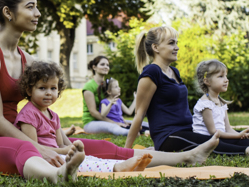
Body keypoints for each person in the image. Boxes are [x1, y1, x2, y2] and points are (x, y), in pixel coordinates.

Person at [0, 0, 219, 183]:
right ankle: (57, 176)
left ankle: (187, 156)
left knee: (97, 146)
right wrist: (40, 148)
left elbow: (41, 105)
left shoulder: (26, 58)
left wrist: (55, 141)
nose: (38, 13)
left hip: (22, 137)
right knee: (26, 151)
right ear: (8, 12)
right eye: (30, 7)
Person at [125, 27, 249, 155]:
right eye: (171, 43)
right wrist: (126, 151)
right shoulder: (151, 73)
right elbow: (139, 115)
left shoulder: (174, 72)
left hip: (189, 129)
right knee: (215, 141)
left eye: (176, 42)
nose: (177, 47)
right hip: (169, 137)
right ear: (156, 48)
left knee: (242, 134)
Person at [15, 61, 152, 173]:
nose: (49, 93)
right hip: (45, 160)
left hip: (58, 154)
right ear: (29, 90)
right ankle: (116, 168)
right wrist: (65, 151)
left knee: (89, 158)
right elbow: (34, 149)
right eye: (42, 88)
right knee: (79, 164)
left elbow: (62, 143)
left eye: (53, 88)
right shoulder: (28, 115)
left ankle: (120, 164)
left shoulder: (53, 116)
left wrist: (74, 149)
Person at [82, 56, 149, 135]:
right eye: (102, 64)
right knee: (113, 126)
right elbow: (93, 113)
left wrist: (120, 121)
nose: (106, 67)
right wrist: (115, 123)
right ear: (94, 67)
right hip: (92, 122)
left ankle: (150, 130)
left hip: (107, 120)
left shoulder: (107, 85)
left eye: (107, 65)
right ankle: (132, 133)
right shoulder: (89, 87)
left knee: (140, 123)